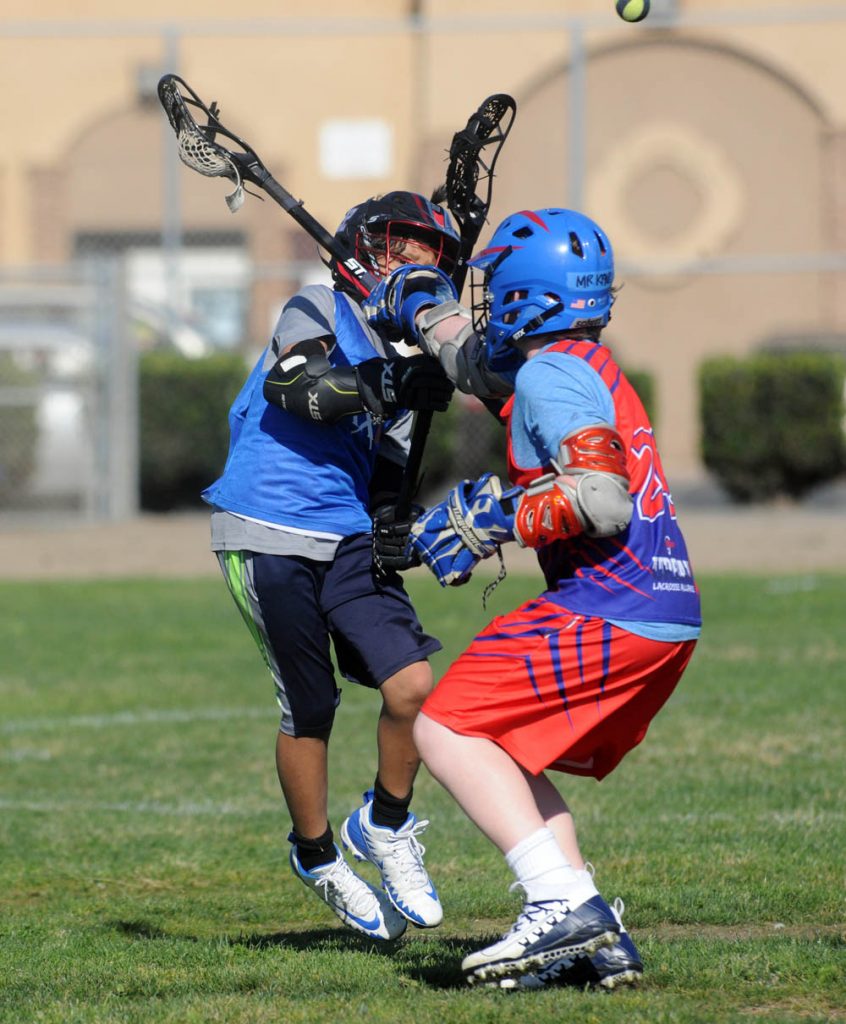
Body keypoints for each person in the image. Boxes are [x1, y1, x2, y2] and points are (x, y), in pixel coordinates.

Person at [367, 207, 702, 986]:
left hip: (608, 603)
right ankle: (594, 930)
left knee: (445, 729)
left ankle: (558, 902)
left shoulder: (551, 375)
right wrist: (419, 301)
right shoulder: (573, 360)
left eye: (494, 289)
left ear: (528, 296)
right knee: (509, 750)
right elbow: (473, 363)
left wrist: (493, 517)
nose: (485, 302)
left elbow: (600, 498)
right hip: (658, 609)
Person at [201, 191, 462, 941]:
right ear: (366, 250)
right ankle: (316, 855)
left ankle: (384, 823)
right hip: (266, 526)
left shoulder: (406, 357)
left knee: (412, 684)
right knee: (310, 708)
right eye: (401, 243)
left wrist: (392, 520)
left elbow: (388, 468)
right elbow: (297, 386)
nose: (415, 259)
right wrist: (386, 385)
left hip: (346, 533)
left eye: (428, 250)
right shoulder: (317, 304)